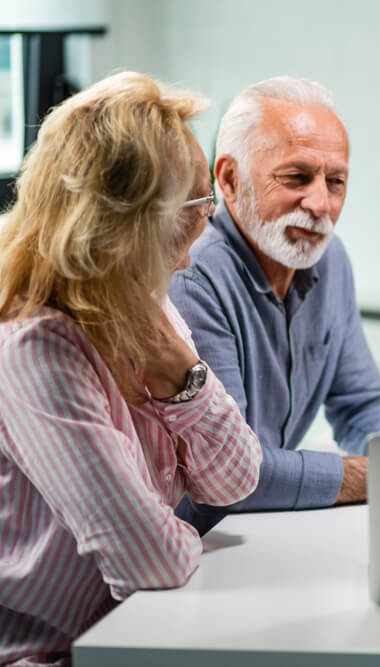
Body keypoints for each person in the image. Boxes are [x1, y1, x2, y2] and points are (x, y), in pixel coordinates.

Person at [0, 72, 262, 665]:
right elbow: (153, 563)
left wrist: (182, 375)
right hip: (51, 656)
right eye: (196, 205)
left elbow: (237, 479)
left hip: (131, 637)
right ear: (126, 223)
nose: (208, 224)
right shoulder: (36, 348)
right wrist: (168, 534)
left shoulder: (141, 299)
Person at [170, 77, 380, 535]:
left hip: (264, 538)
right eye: (296, 178)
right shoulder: (192, 275)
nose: (321, 204)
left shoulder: (329, 258)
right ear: (229, 180)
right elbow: (231, 475)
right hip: (191, 546)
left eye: (336, 182)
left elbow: (360, 404)